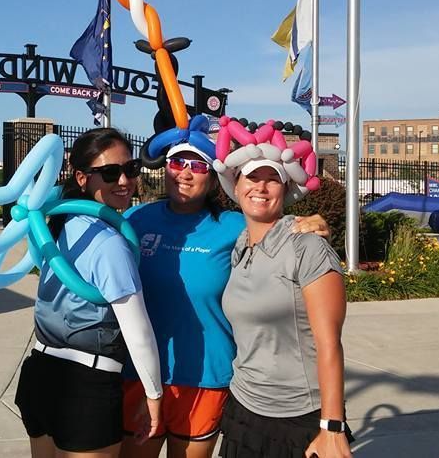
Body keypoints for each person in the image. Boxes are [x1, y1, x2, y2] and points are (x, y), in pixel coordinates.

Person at [120, 142, 329, 458]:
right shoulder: (136, 219)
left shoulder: (233, 225)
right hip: (140, 373)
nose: (186, 174)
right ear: (165, 168)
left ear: (216, 179)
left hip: (205, 375)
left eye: (200, 166)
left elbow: (274, 220)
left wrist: (313, 220)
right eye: (178, 163)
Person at [15, 128, 164, 458]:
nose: (124, 180)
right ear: (82, 178)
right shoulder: (110, 243)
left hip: (39, 373)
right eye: (110, 172)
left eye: (131, 169)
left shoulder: (65, 225)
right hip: (85, 386)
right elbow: (137, 330)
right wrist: (154, 396)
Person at [219, 157, 354, 458]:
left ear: (286, 188)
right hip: (245, 406)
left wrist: (332, 427)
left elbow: (329, 344)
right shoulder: (240, 247)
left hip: (299, 414)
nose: (261, 187)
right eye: (252, 178)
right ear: (236, 186)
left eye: (272, 179)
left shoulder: (308, 247)